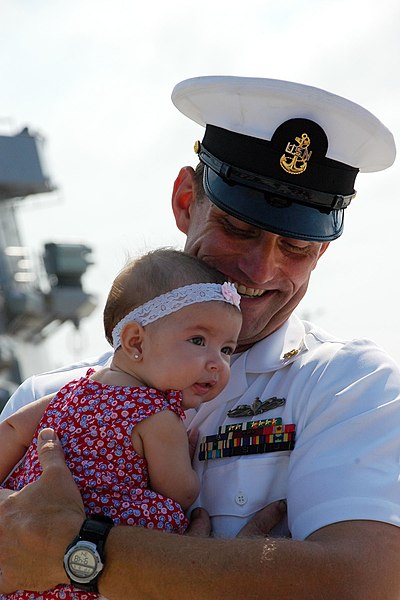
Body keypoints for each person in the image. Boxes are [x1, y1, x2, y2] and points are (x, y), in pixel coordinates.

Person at [1, 75, 400, 599]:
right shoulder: (45, 396)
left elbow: (363, 583)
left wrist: (74, 553)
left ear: (321, 253)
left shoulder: (351, 387)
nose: (260, 270)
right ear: (186, 201)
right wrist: (238, 574)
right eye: (238, 229)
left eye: (296, 248)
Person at [0, 248, 242, 599]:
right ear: (135, 341)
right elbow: (180, 492)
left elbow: (12, 430)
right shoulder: (157, 416)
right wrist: (186, 455)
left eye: (227, 349)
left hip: (29, 564)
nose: (217, 362)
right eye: (198, 340)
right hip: (100, 568)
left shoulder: (71, 390)